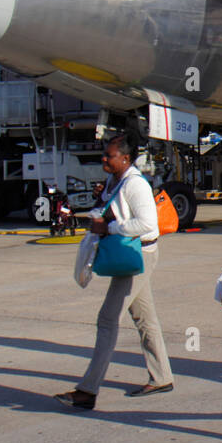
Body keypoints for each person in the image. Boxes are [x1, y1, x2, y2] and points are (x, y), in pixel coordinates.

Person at [55, 135, 172, 409]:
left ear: (126, 159)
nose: (104, 159)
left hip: (138, 255)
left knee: (107, 319)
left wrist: (109, 229)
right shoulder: (113, 181)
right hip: (130, 253)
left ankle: (87, 391)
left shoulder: (135, 185)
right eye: (104, 155)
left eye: (109, 156)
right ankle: (162, 377)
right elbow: (110, 212)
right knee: (145, 317)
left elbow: (146, 222)